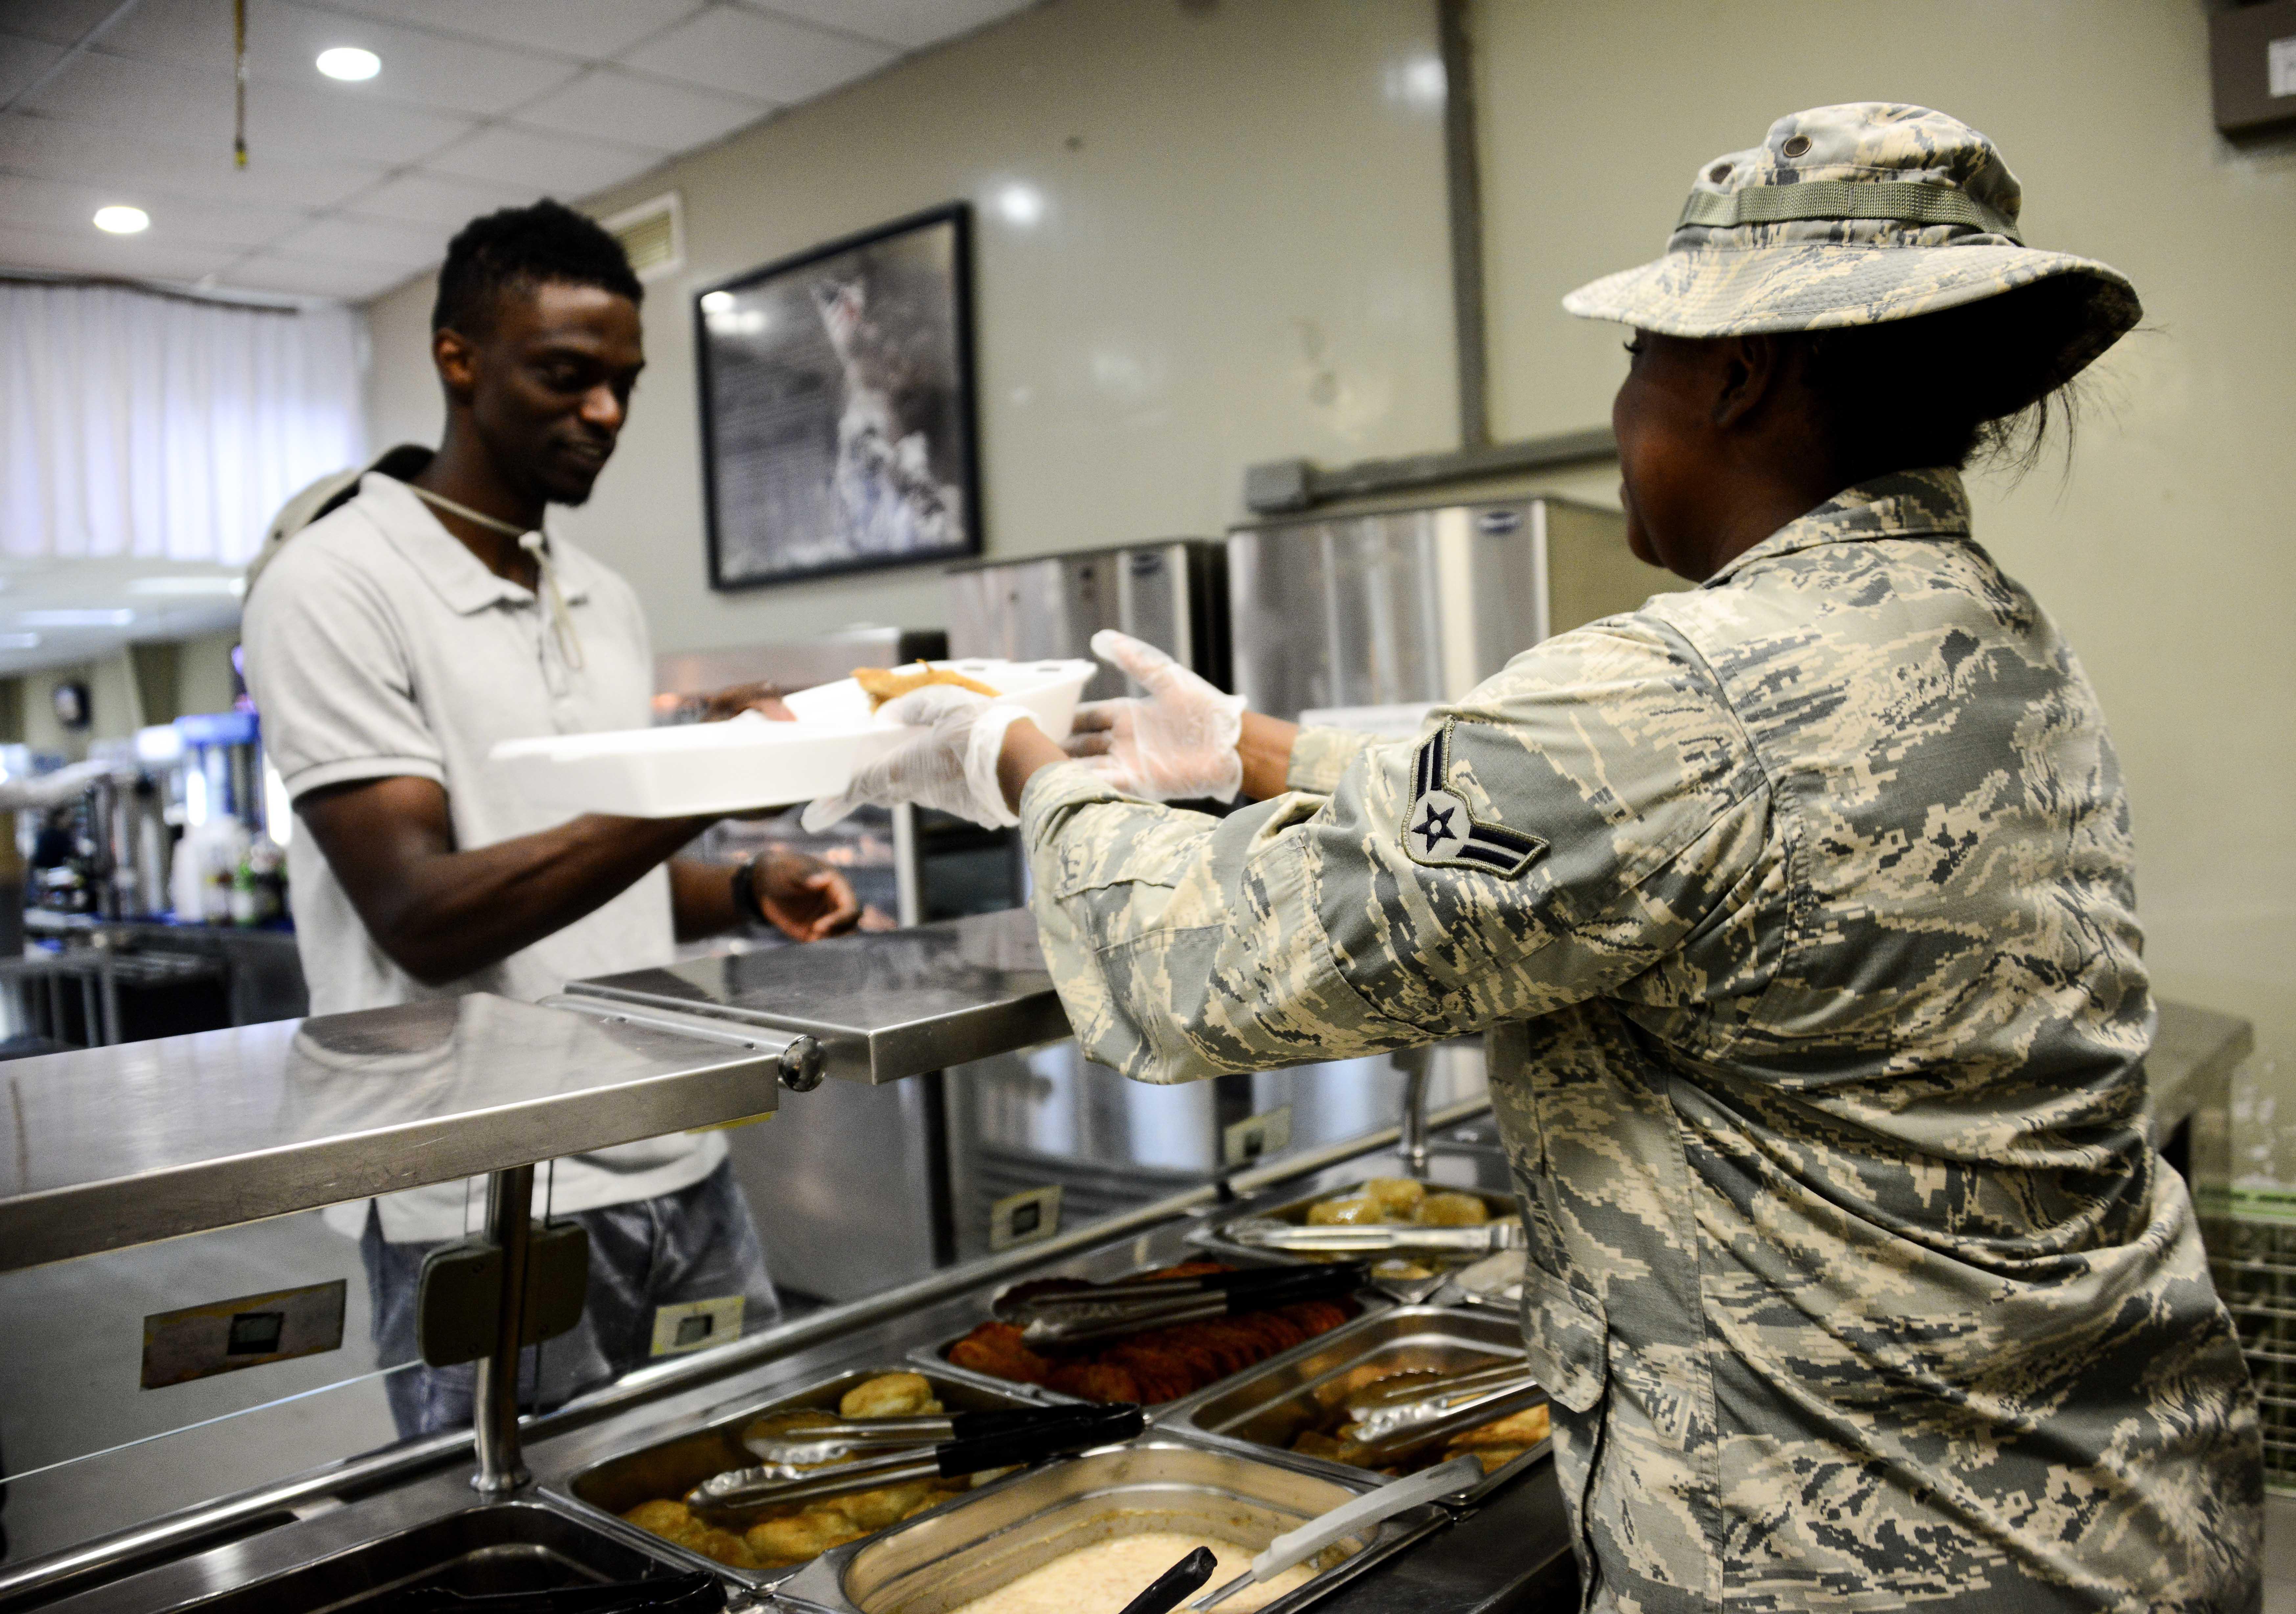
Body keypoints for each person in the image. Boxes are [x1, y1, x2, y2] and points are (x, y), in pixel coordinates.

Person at [806, 106, 2261, 1609]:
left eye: (1637, 361)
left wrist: (1018, 763)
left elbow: (1191, 967)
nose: (1626, 411)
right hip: (2119, 1506)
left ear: (1738, 369)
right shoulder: (1992, 637)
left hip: (1859, 1560)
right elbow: (1650, 837)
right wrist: (1257, 750)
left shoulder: (1673, 688)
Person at [243, 200, 859, 1438]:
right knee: (534, 1556)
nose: (608, 416)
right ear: (458, 359)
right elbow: (425, 915)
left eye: (624, 384)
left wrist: (737, 887)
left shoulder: (601, 595)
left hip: (671, 1149)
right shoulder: (333, 584)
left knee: (729, 1486)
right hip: (479, 1193)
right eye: (567, 377)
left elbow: (578, 868)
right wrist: (702, 778)